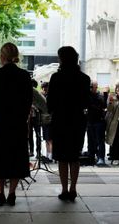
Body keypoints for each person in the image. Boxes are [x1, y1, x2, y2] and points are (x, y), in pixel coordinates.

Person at [0, 42, 33, 206]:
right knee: (16, 157)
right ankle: (12, 192)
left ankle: (0, 192)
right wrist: (23, 118)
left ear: (1, 56)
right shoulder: (24, 75)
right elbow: (28, 101)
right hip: (17, 124)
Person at [47, 46, 90, 202]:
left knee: (62, 158)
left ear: (62, 59)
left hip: (60, 121)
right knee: (74, 157)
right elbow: (86, 102)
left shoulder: (56, 78)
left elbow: (50, 104)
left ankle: (64, 189)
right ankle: (73, 189)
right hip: (77, 121)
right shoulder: (84, 78)